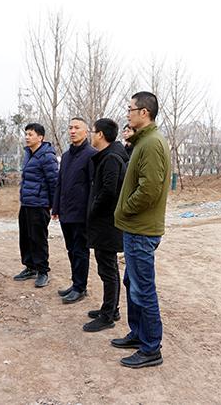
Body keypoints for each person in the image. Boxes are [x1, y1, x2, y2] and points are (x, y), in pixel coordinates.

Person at [112, 91, 171, 369]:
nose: (127, 113)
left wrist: (125, 208)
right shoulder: (143, 141)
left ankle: (151, 348)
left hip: (141, 229)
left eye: (130, 109)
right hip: (135, 228)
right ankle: (138, 334)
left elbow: (149, 189)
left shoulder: (151, 143)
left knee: (143, 289)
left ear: (144, 112)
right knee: (132, 283)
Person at [83, 118, 129, 332]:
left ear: (100, 134)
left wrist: (93, 209)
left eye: (92, 132)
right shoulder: (109, 155)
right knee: (108, 268)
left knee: (108, 269)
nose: (91, 136)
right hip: (105, 223)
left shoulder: (111, 158)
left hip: (107, 224)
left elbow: (109, 191)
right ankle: (111, 308)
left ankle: (108, 315)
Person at [52, 117, 97, 304]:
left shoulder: (92, 155)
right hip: (66, 212)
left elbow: (93, 187)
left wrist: (90, 213)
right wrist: (56, 207)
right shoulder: (66, 156)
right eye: (70, 127)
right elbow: (60, 183)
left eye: (77, 128)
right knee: (71, 249)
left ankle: (80, 287)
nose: (72, 131)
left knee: (80, 251)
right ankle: (75, 282)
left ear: (86, 132)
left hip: (81, 213)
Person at [14, 123, 59, 288]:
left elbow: (54, 182)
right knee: (25, 237)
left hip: (40, 204)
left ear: (40, 137)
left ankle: (42, 271)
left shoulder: (47, 156)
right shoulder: (28, 153)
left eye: (30, 134)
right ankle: (30, 267)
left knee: (38, 238)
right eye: (26, 134)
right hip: (26, 202)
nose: (27, 137)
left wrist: (54, 205)